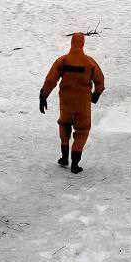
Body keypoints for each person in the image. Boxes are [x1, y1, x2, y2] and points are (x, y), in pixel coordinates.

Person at [39, 32, 105, 174]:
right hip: (83, 102)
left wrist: (43, 95)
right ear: (82, 44)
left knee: (64, 124)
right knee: (82, 129)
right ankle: (75, 164)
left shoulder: (63, 61)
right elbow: (100, 80)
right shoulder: (90, 62)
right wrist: (97, 94)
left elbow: (51, 80)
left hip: (66, 101)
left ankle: (64, 158)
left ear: (72, 43)